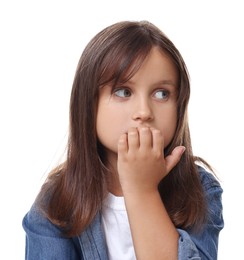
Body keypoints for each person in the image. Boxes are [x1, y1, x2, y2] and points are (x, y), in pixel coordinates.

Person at [22, 20, 224, 259]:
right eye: (123, 92)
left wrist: (143, 190)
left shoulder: (199, 190)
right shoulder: (55, 203)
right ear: (88, 104)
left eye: (162, 93)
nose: (144, 111)